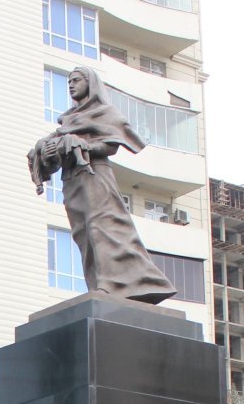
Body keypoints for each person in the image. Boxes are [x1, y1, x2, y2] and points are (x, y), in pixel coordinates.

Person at [26, 67, 175, 304]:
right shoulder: (67, 119)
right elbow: (51, 144)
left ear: (90, 83)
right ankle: (96, 284)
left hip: (94, 174)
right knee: (82, 233)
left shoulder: (104, 112)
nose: (71, 85)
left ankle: (114, 283)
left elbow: (110, 147)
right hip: (72, 180)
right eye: (69, 82)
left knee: (101, 226)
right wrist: (47, 148)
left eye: (76, 80)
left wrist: (81, 146)